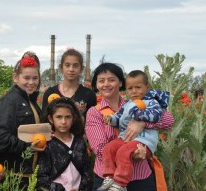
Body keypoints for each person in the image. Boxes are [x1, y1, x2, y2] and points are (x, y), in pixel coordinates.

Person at [85, 63, 174, 191]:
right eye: (101, 81)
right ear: (96, 85)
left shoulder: (136, 103)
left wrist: (142, 123)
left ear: (121, 83)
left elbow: (169, 120)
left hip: (140, 176)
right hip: (107, 179)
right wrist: (131, 155)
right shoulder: (95, 112)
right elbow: (99, 150)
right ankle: (113, 179)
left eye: (111, 80)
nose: (106, 84)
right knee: (110, 149)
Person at [0, 51, 45, 188]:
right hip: (13, 177)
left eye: (35, 78)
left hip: (28, 176)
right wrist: (27, 148)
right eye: (26, 78)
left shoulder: (31, 101)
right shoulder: (8, 102)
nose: (31, 82)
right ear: (16, 77)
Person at [37, 97, 91, 191]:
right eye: (59, 117)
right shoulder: (48, 144)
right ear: (50, 118)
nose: (63, 122)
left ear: (73, 118)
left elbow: (86, 172)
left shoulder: (79, 142)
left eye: (68, 117)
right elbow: (42, 177)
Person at [42, 48, 97, 121]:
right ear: (61, 67)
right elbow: (44, 121)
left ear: (81, 69)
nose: (71, 69)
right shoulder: (50, 93)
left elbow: (93, 122)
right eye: (67, 65)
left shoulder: (89, 94)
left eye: (75, 66)